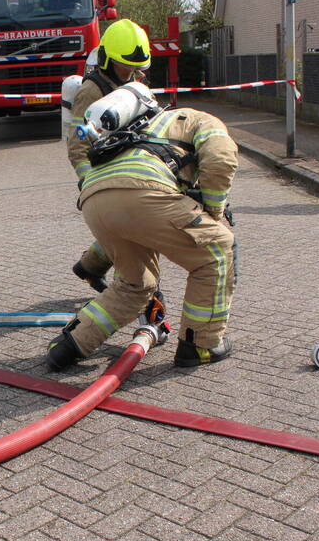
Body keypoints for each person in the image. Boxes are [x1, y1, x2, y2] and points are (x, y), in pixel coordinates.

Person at [46, 88, 238, 372]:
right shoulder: (199, 119)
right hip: (143, 193)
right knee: (217, 251)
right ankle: (200, 345)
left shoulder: (138, 129)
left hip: (93, 198)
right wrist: (214, 212)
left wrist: (91, 264)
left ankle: (69, 344)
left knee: (135, 284)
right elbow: (221, 159)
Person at [67, 19, 151, 294]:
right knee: (126, 224)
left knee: (129, 223)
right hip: (101, 165)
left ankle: (90, 266)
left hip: (128, 159)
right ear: (107, 59)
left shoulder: (134, 80)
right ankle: (125, 284)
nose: (131, 71)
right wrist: (86, 177)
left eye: (136, 67)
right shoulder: (91, 91)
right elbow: (77, 142)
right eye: (124, 65)